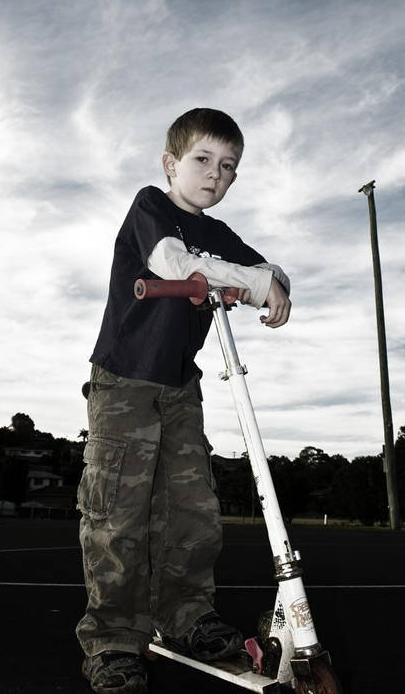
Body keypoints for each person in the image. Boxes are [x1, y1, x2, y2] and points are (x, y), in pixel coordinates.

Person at [76, 107, 291, 694]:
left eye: (229, 168)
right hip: (124, 382)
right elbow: (173, 264)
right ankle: (115, 639)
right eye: (203, 160)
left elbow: (268, 269)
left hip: (180, 386)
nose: (215, 176)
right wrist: (251, 282)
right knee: (118, 516)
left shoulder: (218, 234)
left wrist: (275, 283)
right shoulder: (152, 207)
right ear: (171, 163)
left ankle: (188, 618)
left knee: (193, 510)